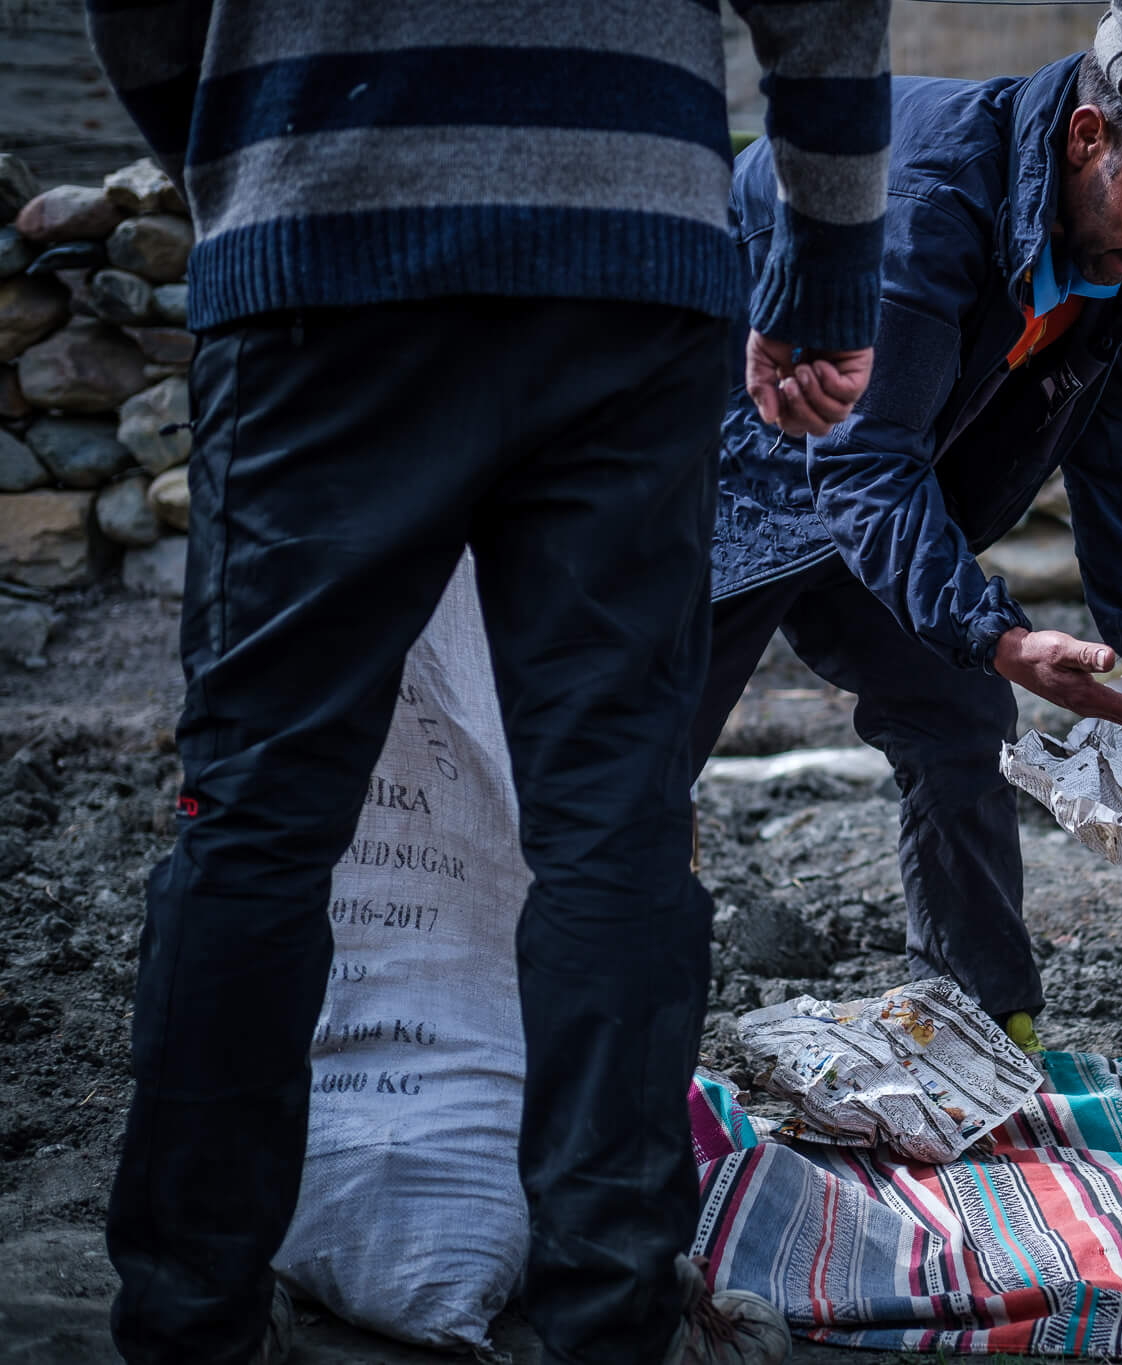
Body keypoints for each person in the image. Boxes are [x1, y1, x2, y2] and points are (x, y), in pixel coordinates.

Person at [84, 1, 891, 1361]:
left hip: (327, 242)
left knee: (254, 820)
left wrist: (244, 155)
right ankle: (602, 1327)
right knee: (612, 832)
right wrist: (822, 284)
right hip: (624, 263)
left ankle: (187, 1325)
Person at [695, 0, 1122, 1051]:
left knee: (957, 715)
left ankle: (980, 1017)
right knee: (636, 743)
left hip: (883, 465)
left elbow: (1118, 448)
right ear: (1086, 136)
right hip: (724, 453)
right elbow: (861, 453)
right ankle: (564, 1040)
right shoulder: (922, 197)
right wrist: (1003, 637)